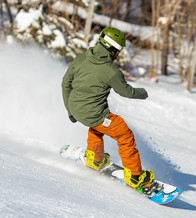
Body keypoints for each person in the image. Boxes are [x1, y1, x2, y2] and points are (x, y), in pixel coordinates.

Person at [61, 27, 154, 190]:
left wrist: (70, 110)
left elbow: (65, 84)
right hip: (94, 114)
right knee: (124, 134)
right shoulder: (111, 71)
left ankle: (95, 158)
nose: (118, 54)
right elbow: (126, 92)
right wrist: (143, 93)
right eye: (119, 50)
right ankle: (135, 176)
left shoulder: (81, 59)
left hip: (75, 109)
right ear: (112, 50)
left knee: (98, 127)